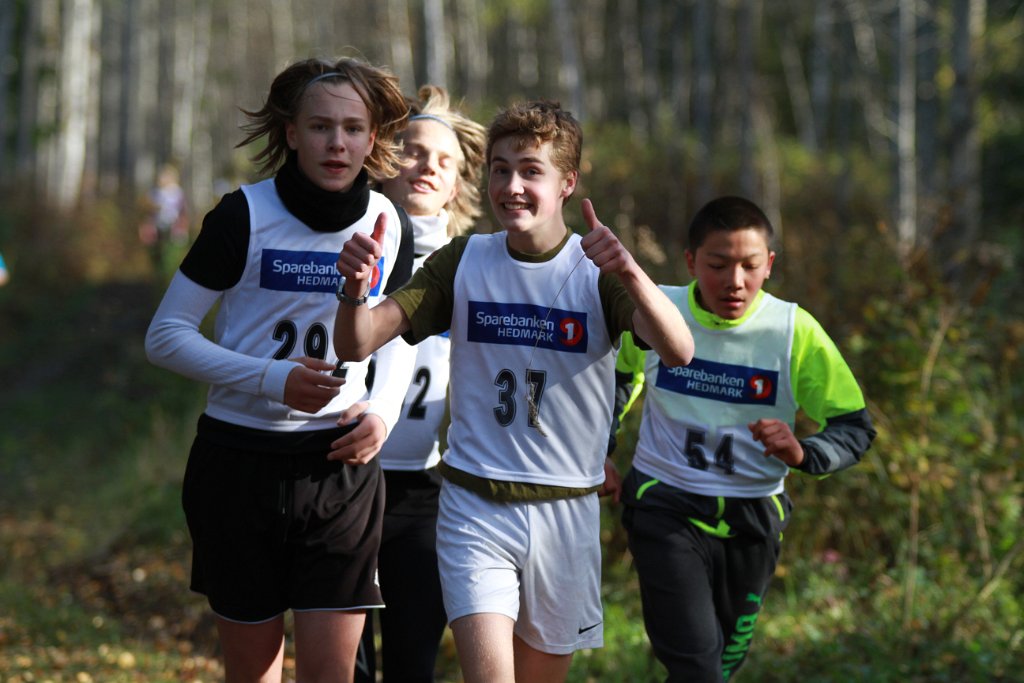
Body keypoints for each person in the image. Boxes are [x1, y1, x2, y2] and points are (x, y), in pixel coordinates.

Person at [332, 99, 696, 683]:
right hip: (473, 505)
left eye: (531, 171)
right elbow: (357, 342)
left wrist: (630, 271)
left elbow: (679, 351)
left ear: (567, 183)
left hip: (566, 510)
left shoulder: (596, 269)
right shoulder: (464, 259)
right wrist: (354, 290)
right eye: (500, 170)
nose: (512, 187)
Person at [144, 56, 411, 682]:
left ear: (371, 138)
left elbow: (398, 337)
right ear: (292, 133)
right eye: (320, 127)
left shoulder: (386, 220)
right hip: (239, 464)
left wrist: (382, 412)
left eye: (352, 128)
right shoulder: (242, 215)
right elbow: (165, 336)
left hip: (338, 467)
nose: (337, 143)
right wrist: (272, 378)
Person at [617, 196, 877, 681]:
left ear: (769, 265)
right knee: (696, 665)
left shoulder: (793, 331)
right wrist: (598, 453)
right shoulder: (657, 309)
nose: (734, 281)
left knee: (724, 661)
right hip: (665, 502)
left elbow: (854, 428)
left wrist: (802, 452)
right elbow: (615, 381)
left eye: (749, 266)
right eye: (717, 265)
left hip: (753, 514)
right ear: (691, 261)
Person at [355, 85, 487, 683]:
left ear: (457, 184)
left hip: (428, 490)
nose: (427, 165)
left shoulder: (477, 264)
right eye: (412, 150)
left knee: (413, 663)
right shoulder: (349, 244)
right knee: (346, 664)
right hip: (344, 474)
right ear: (384, 160)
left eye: (444, 160)